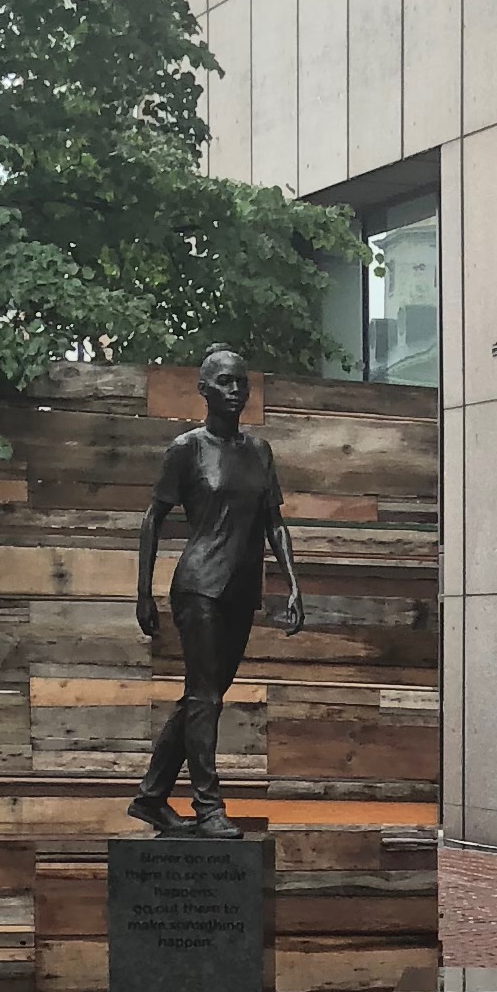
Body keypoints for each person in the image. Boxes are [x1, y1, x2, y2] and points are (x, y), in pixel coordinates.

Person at [128, 347, 303, 834]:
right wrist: (143, 592)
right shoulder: (186, 449)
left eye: (241, 381)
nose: (235, 390)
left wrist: (292, 583)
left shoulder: (259, 452)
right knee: (206, 698)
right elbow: (152, 518)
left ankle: (151, 797)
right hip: (199, 587)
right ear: (204, 389)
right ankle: (208, 806)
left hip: (241, 591)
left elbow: (274, 523)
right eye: (225, 381)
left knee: (200, 698)